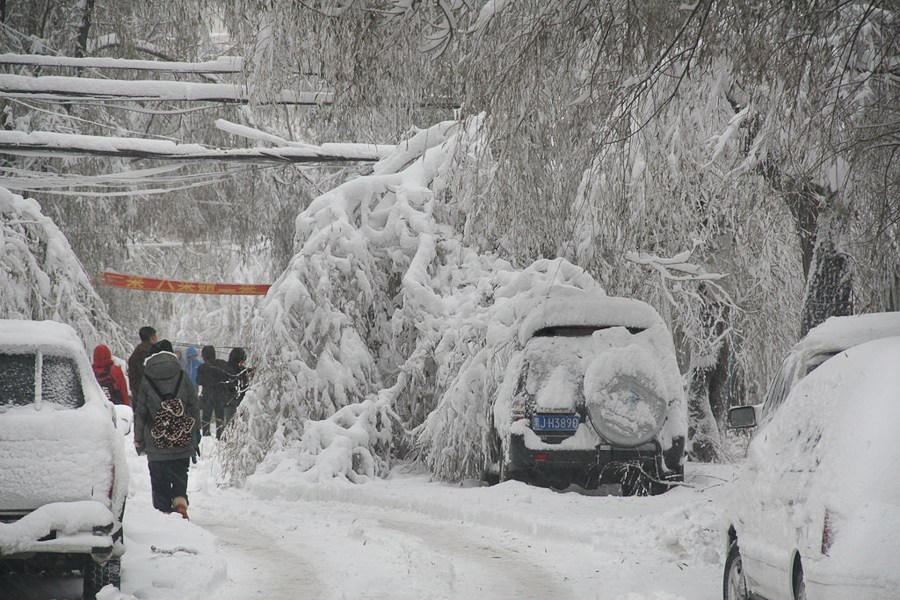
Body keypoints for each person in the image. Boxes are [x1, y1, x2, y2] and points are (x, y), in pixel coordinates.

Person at [132, 339, 200, 519]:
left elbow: (141, 412)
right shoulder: (182, 375)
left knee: (159, 479)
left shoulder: (146, 379)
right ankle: (179, 503)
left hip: (156, 442)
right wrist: (195, 433)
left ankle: (163, 514)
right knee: (179, 475)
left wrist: (138, 438)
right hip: (182, 439)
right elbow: (193, 405)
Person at [196, 345, 231, 439]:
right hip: (221, 393)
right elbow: (228, 377)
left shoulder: (202, 367)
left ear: (204, 355)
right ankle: (220, 436)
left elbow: (198, 381)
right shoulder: (223, 364)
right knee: (220, 416)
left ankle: (206, 435)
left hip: (208, 394)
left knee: (206, 417)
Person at [223, 347, 251, 431]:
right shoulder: (229, 369)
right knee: (230, 427)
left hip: (238, 402)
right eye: (242, 360)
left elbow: (246, 371)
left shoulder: (238, 368)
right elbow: (233, 383)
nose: (243, 363)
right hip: (230, 402)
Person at [127, 326, 157, 396]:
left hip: (138, 392)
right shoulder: (154, 353)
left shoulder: (136, 353)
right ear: (152, 337)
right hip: (152, 394)